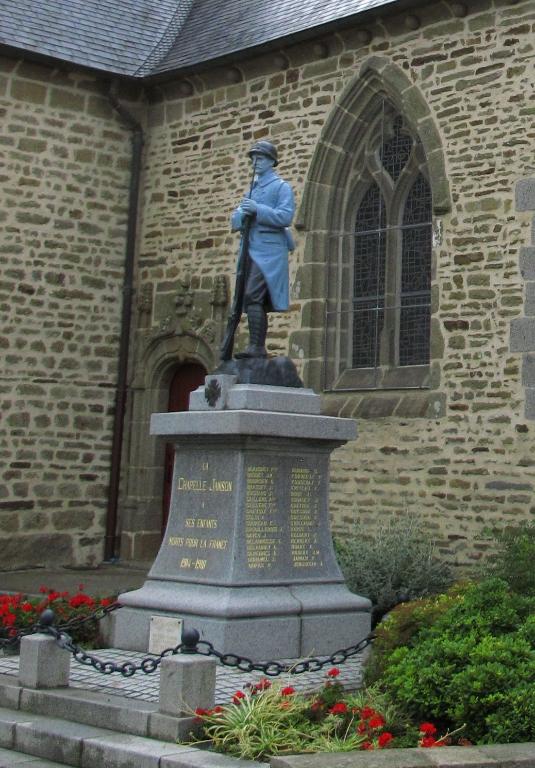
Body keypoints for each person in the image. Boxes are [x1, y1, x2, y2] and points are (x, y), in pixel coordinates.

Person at [231, 140, 295, 358]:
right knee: (248, 300)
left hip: (269, 251)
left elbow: (285, 216)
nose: (255, 162)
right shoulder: (252, 189)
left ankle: (257, 347)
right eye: (253, 159)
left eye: (260, 158)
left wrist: (258, 209)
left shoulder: (281, 187)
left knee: (252, 294)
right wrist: (242, 214)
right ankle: (255, 347)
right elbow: (235, 221)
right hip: (249, 249)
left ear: (271, 161)